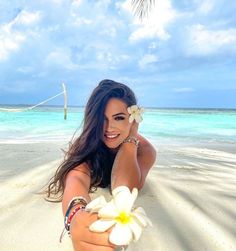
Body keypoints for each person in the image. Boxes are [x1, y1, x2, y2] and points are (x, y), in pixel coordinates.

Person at [46, 79, 156, 251]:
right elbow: (76, 177)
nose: (109, 128)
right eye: (101, 119)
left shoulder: (145, 151)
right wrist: (75, 216)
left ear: (133, 119)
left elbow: (124, 188)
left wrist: (131, 137)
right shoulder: (87, 146)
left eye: (119, 118)